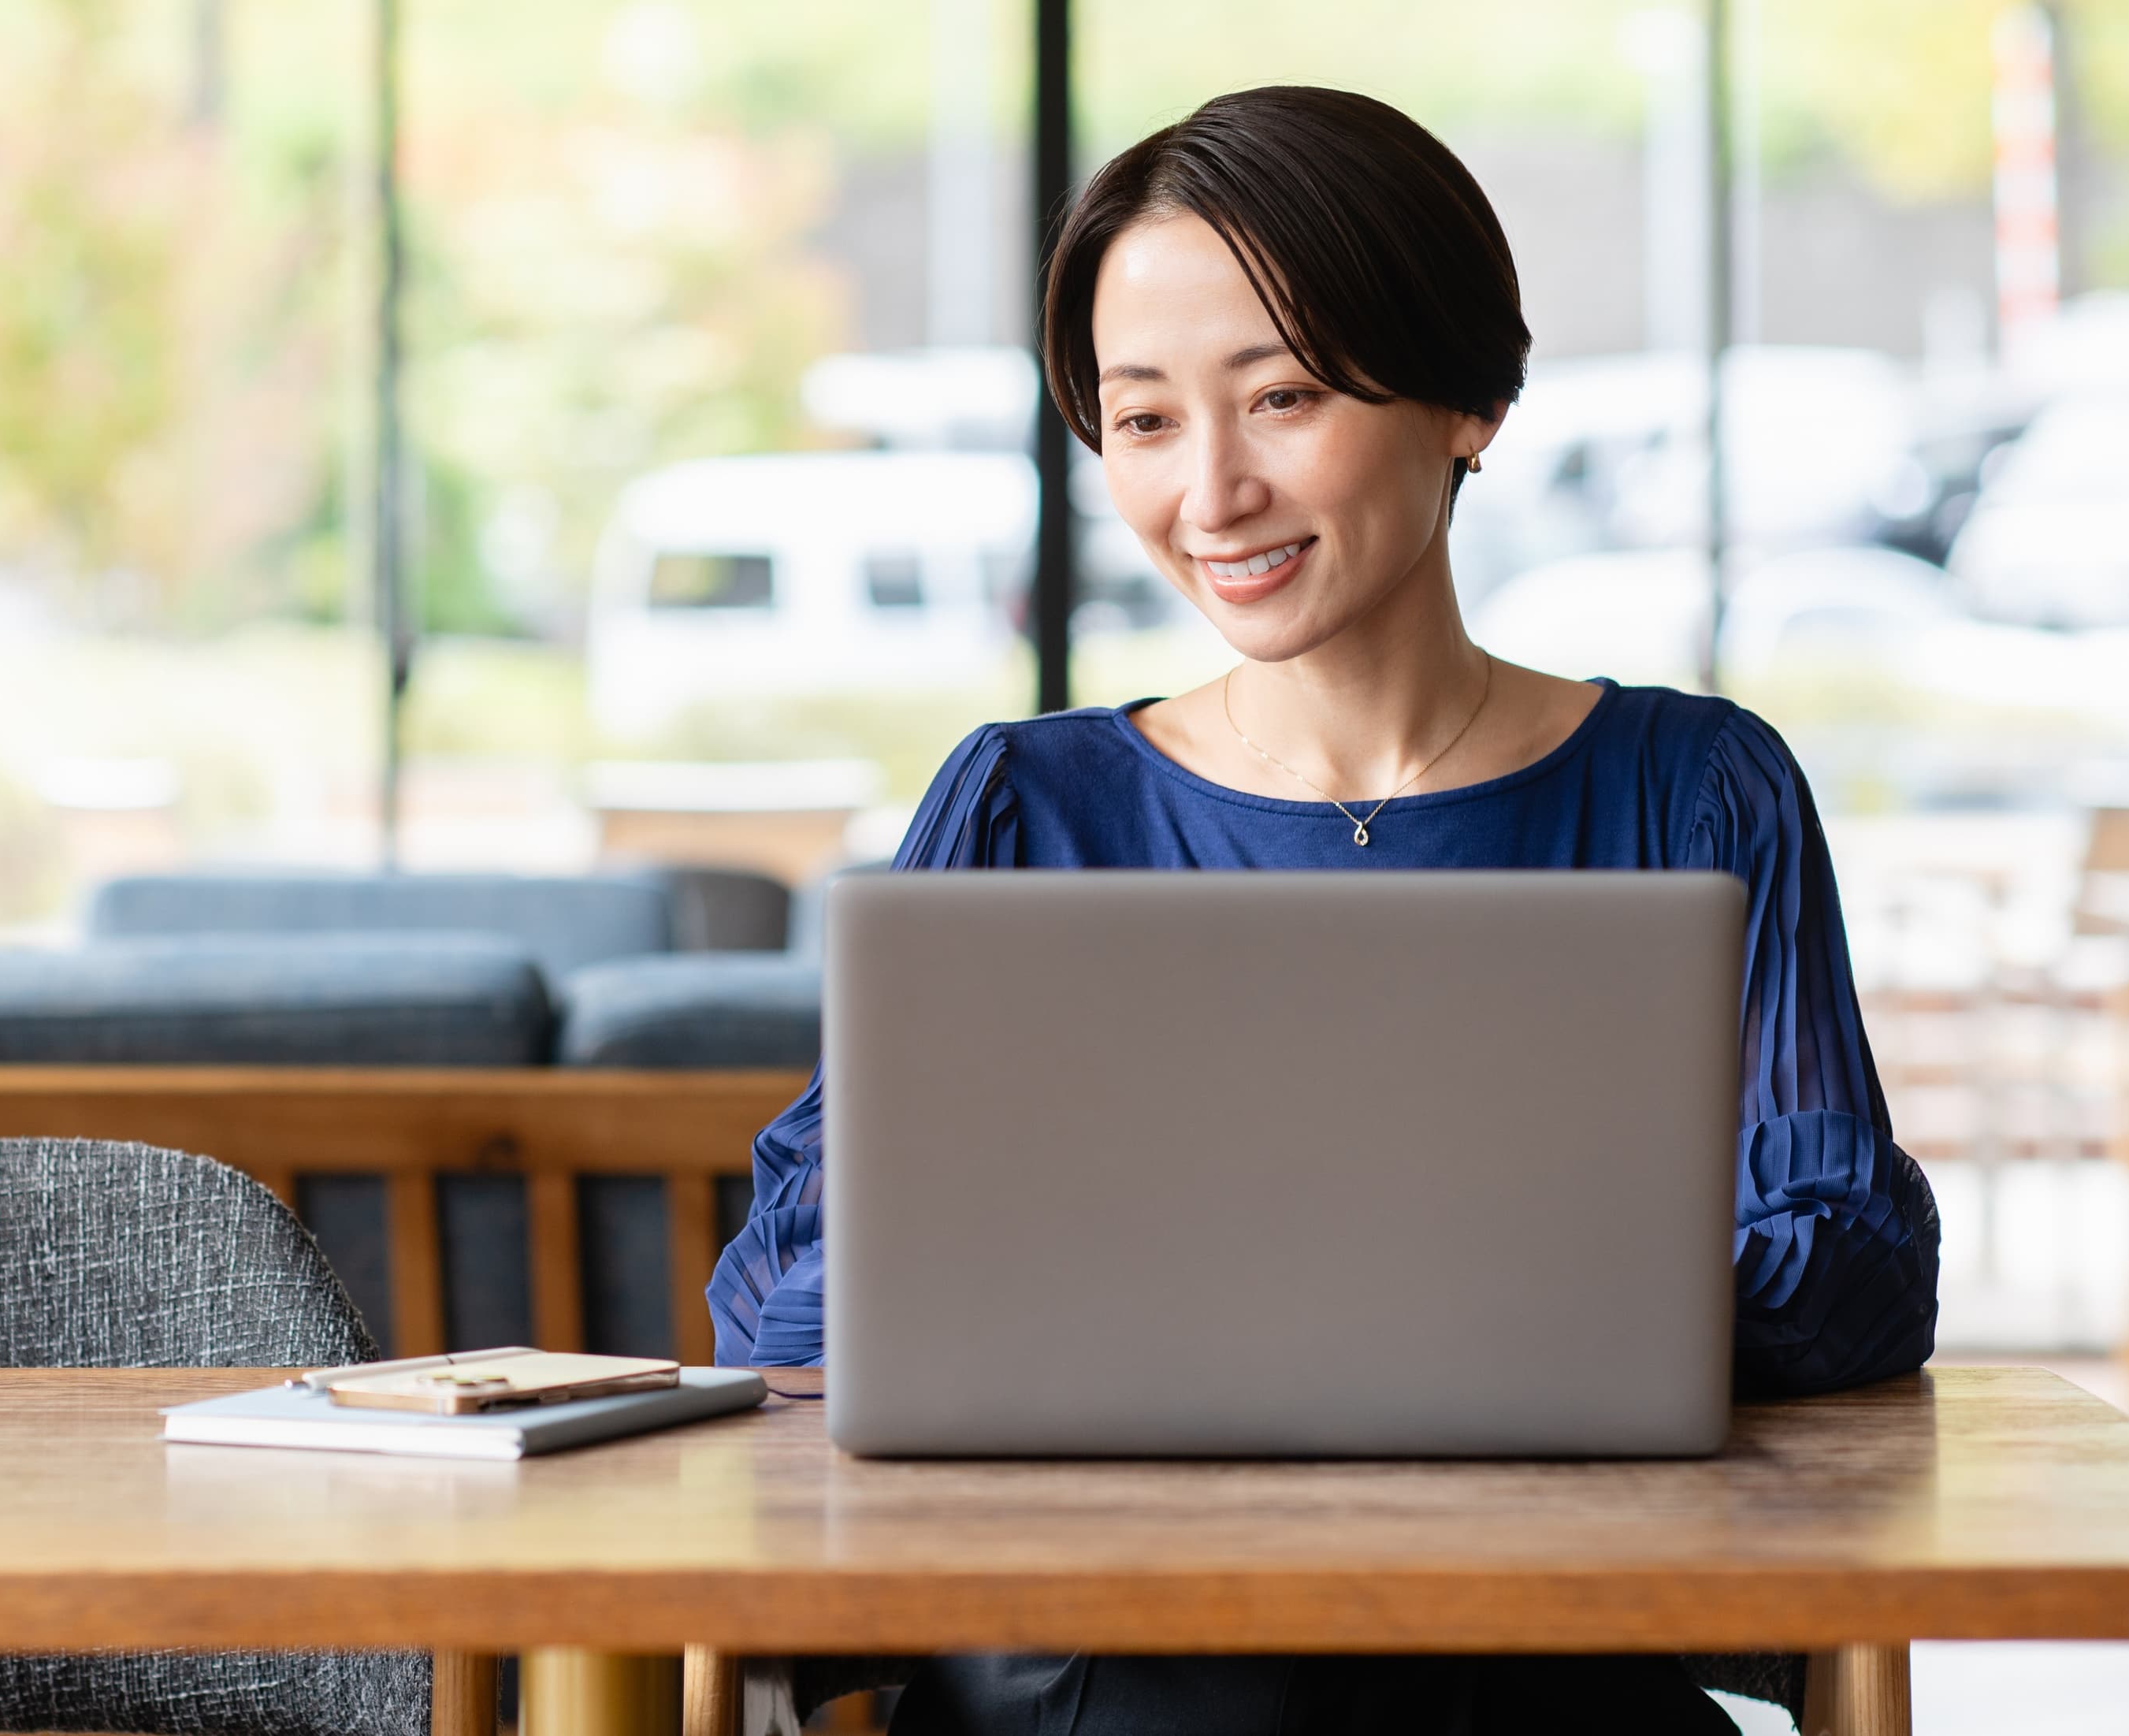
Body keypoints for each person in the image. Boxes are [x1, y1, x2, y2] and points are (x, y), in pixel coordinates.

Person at [707, 86, 1941, 1736]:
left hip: (1543, 1648)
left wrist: (1334, 1320)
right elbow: (787, 1278)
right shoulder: (1022, 806)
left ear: (1470, 400)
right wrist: (1467, 1324)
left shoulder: (1700, 789)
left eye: (1280, 397)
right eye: (1143, 421)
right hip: (1099, 1662)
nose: (1210, 494)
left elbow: (1852, 1254)